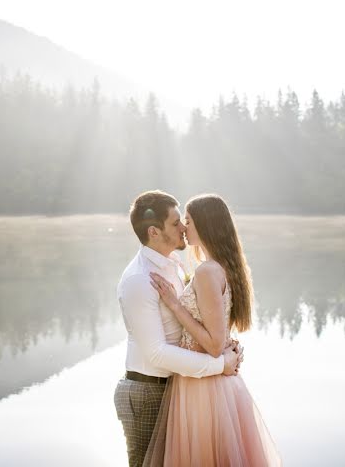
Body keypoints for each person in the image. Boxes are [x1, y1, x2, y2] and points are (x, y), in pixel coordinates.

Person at [144, 193, 280, 466]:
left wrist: (174, 304)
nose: (184, 227)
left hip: (203, 388)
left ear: (205, 226)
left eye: (189, 221)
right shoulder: (223, 268)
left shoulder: (207, 272)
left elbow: (215, 344)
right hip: (213, 383)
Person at [115, 190, 243, 467]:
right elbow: (157, 354)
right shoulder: (139, 280)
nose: (184, 228)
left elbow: (201, 318)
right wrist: (219, 364)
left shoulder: (173, 264)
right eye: (176, 223)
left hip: (176, 387)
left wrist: (224, 344)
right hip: (147, 392)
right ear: (154, 231)